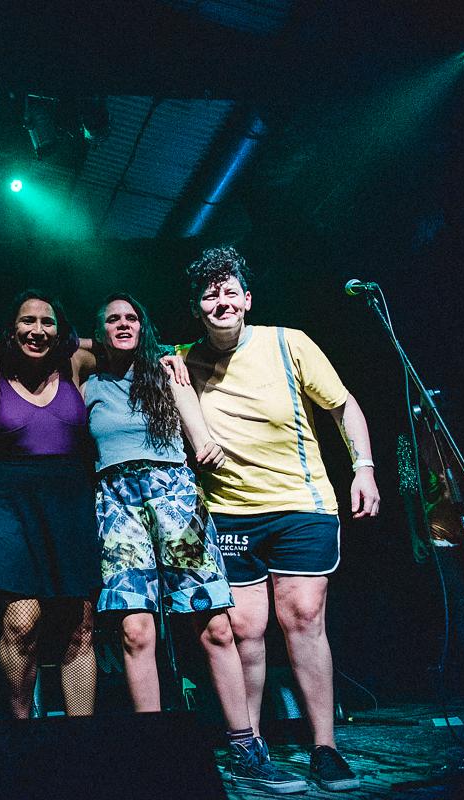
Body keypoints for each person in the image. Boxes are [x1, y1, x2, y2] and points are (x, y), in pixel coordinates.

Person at [177, 247, 380, 793]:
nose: (220, 301)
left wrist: (363, 468)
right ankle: (252, 747)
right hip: (228, 512)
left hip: (301, 504)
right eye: (208, 294)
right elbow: (110, 346)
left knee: (305, 619)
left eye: (228, 291)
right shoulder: (180, 362)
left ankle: (325, 746)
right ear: (198, 308)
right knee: (246, 628)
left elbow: (343, 405)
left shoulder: (288, 342)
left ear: (246, 299)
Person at [88, 292, 307, 794]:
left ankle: (247, 747)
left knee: (215, 627)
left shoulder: (169, 370)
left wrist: (204, 441)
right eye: (112, 319)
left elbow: (195, 423)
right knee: (136, 632)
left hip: (174, 497)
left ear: (145, 325)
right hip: (117, 504)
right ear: (98, 332)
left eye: (132, 318)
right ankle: (154, 749)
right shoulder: (88, 382)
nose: (123, 325)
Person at [0, 291, 99, 718]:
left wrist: (172, 358)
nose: (38, 330)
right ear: (10, 330)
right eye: (27, 321)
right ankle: (22, 735)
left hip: (71, 504)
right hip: (11, 506)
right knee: (20, 625)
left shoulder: (75, 365)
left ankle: (81, 743)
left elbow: (124, 346)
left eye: (48, 322)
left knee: (79, 629)